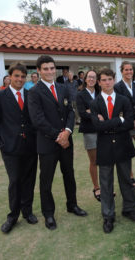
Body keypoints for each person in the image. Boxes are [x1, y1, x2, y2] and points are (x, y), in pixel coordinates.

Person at [28, 55, 87, 231]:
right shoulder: (34, 92)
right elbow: (38, 120)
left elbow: (70, 111)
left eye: (52, 68)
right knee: (46, 180)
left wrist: (67, 132)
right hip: (47, 143)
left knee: (69, 174)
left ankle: (72, 205)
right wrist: (58, 136)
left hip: (66, 141)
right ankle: (49, 214)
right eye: (45, 69)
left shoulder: (63, 88)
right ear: (38, 71)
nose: (49, 71)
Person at [90, 68, 135, 234]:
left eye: (110, 79)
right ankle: (108, 215)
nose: (107, 82)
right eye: (103, 80)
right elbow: (97, 126)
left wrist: (110, 122)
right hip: (105, 147)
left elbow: (129, 124)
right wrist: (118, 120)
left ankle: (129, 208)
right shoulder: (95, 103)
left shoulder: (124, 100)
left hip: (123, 144)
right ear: (99, 82)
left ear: (114, 80)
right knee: (105, 182)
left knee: (126, 178)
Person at [0, 62, 38, 233]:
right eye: (16, 76)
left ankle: (28, 211)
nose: (20, 79)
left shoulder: (31, 94)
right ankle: (13, 216)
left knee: (29, 180)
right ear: (10, 77)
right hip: (10, 148)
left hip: (30, 147)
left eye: (23, 77)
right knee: (15, 181)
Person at [114, 61, 135, 190]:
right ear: (121, 71)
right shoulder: (117, 87)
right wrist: (129, 121)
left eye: (130, 70)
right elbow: (118, 108)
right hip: (124, 125)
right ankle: (130, 177)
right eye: (126, 70)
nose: (129, 72)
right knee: (127, 152)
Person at [76, 69, 101, 201]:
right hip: (89, 131)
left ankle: (105, 186)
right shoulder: (80, 95)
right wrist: (96, 114)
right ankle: (96, 187)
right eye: (89, 77)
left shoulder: (100, 92)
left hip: (102, 130)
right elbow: (82, 113)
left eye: (94, 77)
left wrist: (91, 111)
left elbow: (105, 109)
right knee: (94, 161)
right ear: (85, 79)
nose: (91, 79)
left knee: (104, 160)